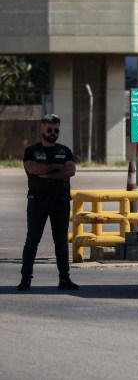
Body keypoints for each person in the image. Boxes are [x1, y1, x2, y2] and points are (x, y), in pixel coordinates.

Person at [18, 114, 78, 291]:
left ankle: (64, 279)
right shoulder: (31, 151)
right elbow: (32, 168)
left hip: (60, 201)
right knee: (32, 241)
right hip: (38, 202)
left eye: (56, 130)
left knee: (61, 242)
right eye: (50, 129)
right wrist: (57, 167)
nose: (53, 133)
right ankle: (25, 279)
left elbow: (71, 171)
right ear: (42, 130)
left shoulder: (65, 151)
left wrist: (45, 174)